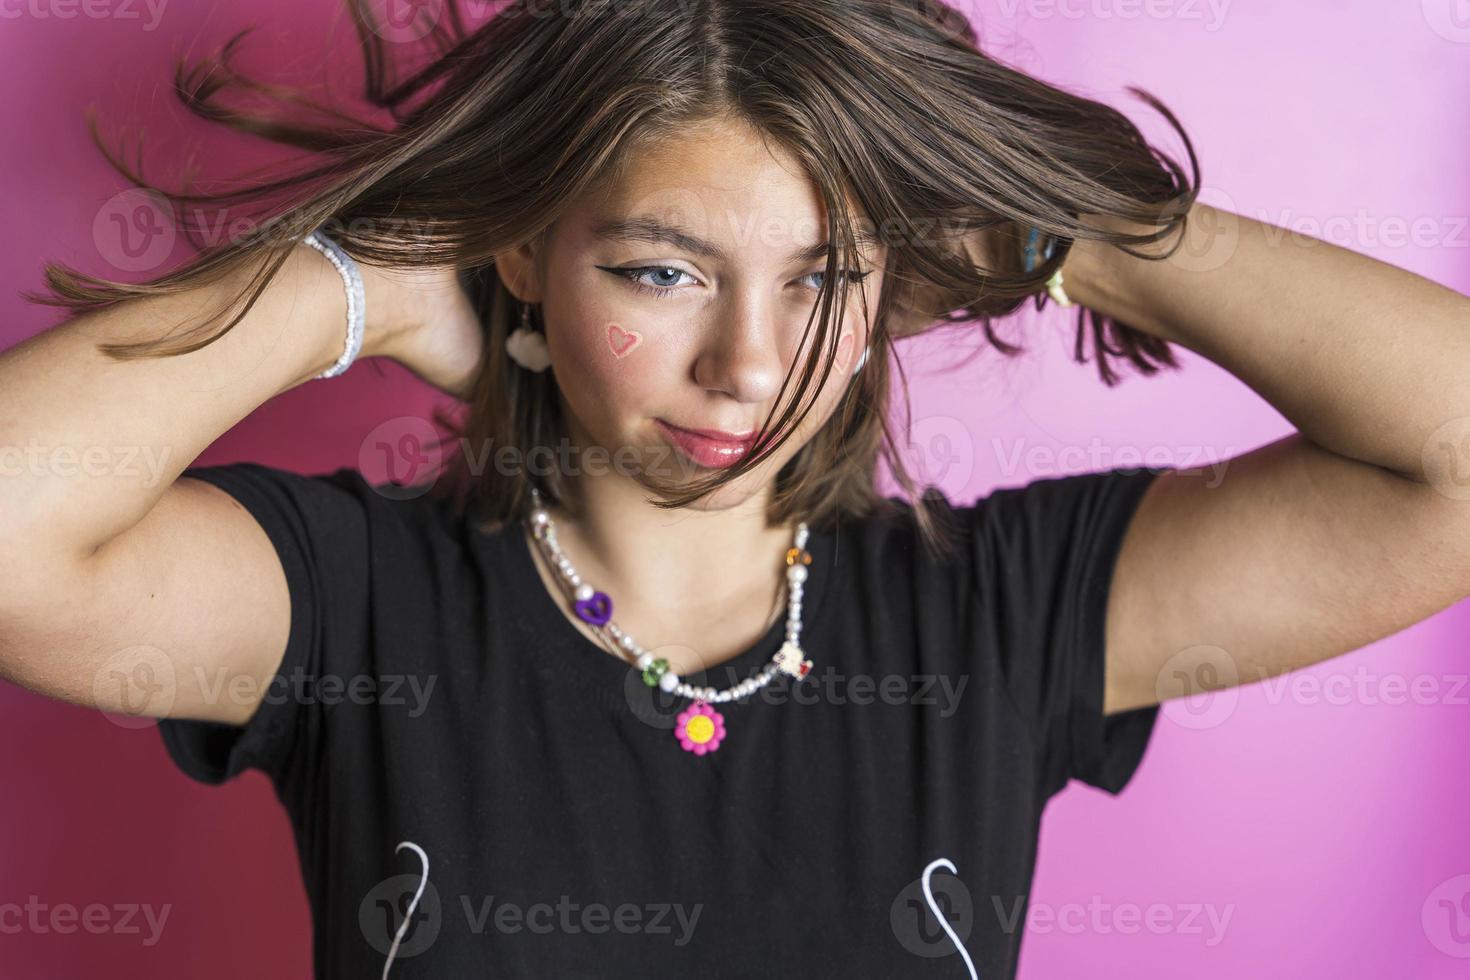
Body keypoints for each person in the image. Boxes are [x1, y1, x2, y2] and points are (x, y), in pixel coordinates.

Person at [5, 1, 1470, 976]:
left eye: (821, 276)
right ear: (523, 252)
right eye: (663, 268)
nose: (748, 365)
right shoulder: (347, 611)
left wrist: (1052, 225)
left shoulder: (1007, 612)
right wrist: (366, 278)